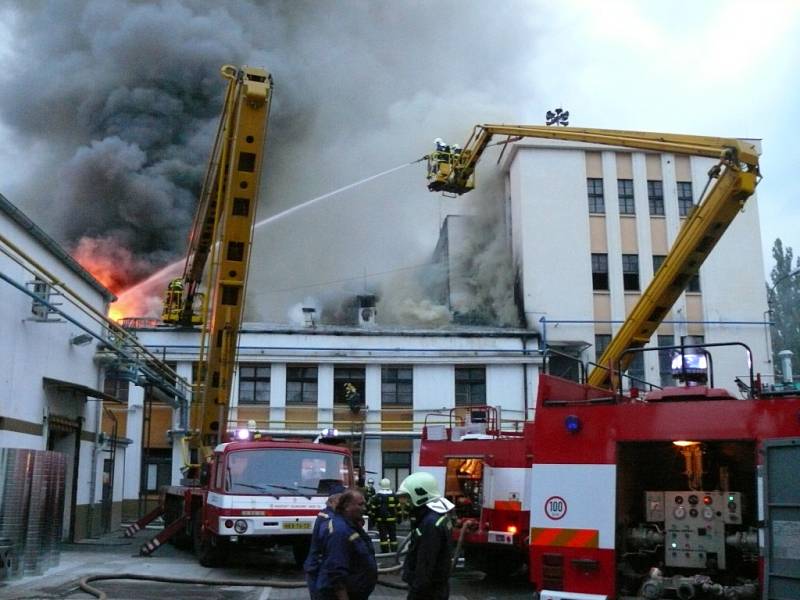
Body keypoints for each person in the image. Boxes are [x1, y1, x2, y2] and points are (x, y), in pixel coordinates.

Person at [396, 472, 455, 600]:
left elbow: (426, 563)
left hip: (427, 592)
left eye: (407, 497)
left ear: (420, 494)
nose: (405, 502)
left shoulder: (430, 524)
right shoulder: (437, 517)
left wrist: (416, 591)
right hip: (436, 589)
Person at [316, 489, 377, 600]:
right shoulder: (340, 531)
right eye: (360, 505)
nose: (364, 508)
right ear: (347, 506)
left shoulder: (350, 526)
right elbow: (336, 572)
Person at [304, 481, 346, 600]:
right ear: (332, 501)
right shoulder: (328, 519)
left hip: (317, 568)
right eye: (342, 501)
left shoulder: (327, 514)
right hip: (318, 569)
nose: (344, 504)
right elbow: (330, 540)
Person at [369, 478, 399, 553]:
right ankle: (394, 550)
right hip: (391, 520)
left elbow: (373, 509)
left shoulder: (377, 496)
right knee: (393, 535)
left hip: (381, 520)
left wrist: (373, 519)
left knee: (383, 536)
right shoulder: (394, 495)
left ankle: (385, 551)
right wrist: (399, 518)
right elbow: (398, 507)